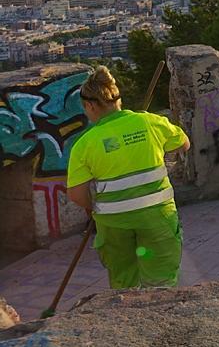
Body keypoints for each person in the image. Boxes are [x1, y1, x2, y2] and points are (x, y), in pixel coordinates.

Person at [66, 66, 190, 289]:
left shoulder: (85, 144)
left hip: (113, 222)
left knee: (124, 281)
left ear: (90, 105)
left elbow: (76, 194)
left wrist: (92, 208)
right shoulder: (150, 122)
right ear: (118, 100)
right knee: (161, 280)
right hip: (157, 217)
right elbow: (184, 144)